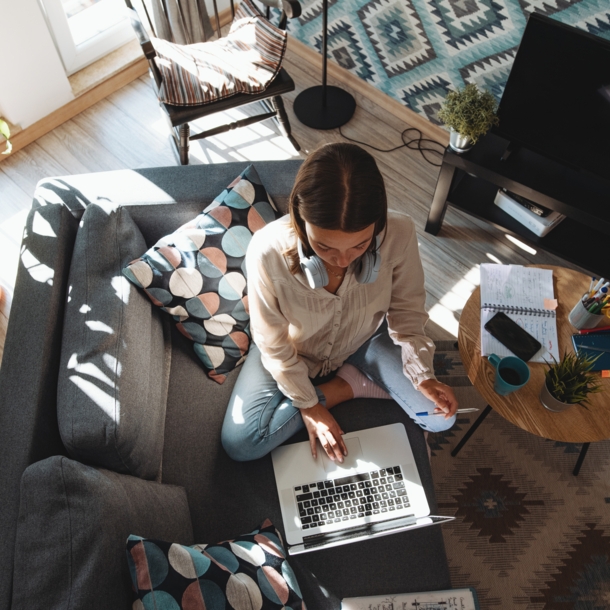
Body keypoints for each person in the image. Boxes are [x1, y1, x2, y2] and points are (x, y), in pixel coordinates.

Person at [221, 143, 457, 463]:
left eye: (360, 245)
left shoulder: (399, 232)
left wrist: (422, 374)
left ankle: (348, 386)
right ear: (301, 221)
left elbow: (407, 312)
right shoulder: (267, 251)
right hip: (294, 351)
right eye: (325, 247)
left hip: (365, 340)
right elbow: (272, 343)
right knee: (240, 443)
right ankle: (351, 384)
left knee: (440, 417)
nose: (344, 260)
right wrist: (309, 405)